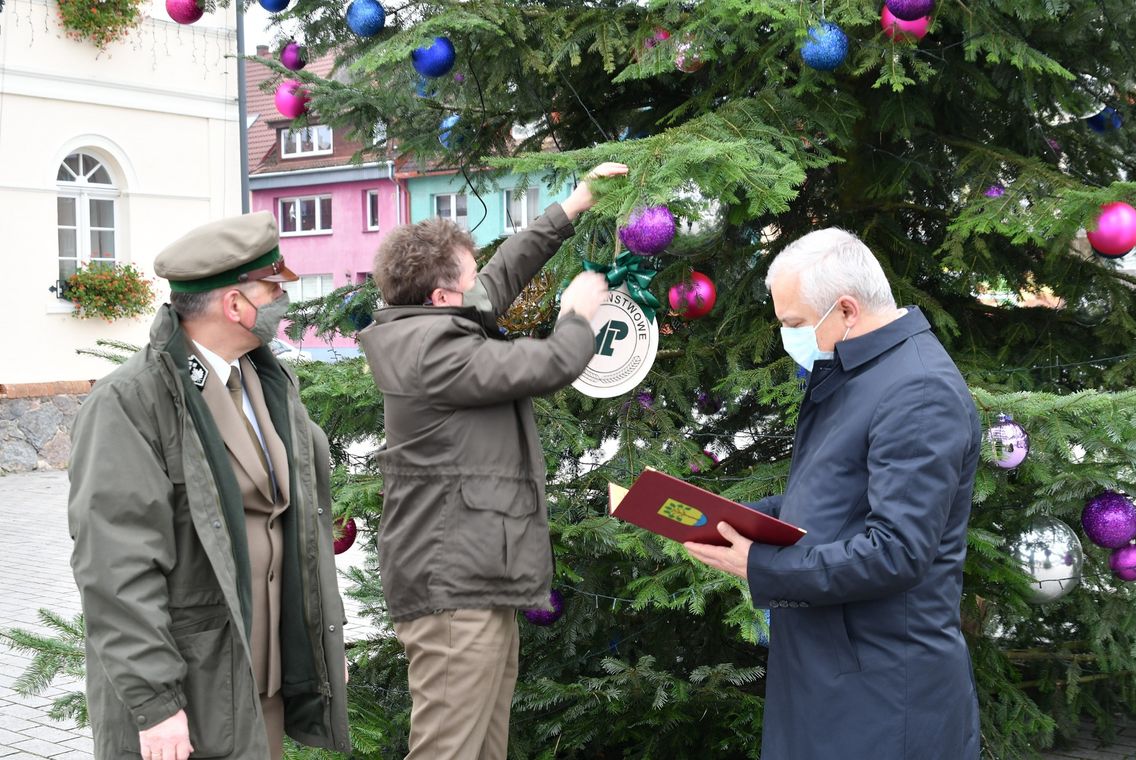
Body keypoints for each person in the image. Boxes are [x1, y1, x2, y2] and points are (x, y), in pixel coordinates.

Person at [358, 162, 627, 760]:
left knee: (483, 750)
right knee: (448, 752)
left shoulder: (430, 324)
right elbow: (550, 365)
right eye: (468, 276)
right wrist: (579, 313)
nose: (482, 284)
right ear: (441, 296)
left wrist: (575, 204)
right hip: (454, 588)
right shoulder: (433, 353)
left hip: (474, 579)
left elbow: (501, 274)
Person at [684, 228, 981, 760]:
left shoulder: (917, 388)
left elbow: (896, 551)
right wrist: (728, 519)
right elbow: (826, 497)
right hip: (832, 677)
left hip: (882, 693)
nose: (790, 338)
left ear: (846, 310)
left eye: (795, 324)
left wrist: (761, 566)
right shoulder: (860, 373)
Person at [68, 212, 351, 760]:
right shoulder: (131, 402)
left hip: (256, 678)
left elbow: (292, 523)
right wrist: (155, 704)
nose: (280, 302)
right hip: (191, 690)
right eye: (272, 289)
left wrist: (318, 640)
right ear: (235, 305)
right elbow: (116, 567)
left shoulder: (264, 380)